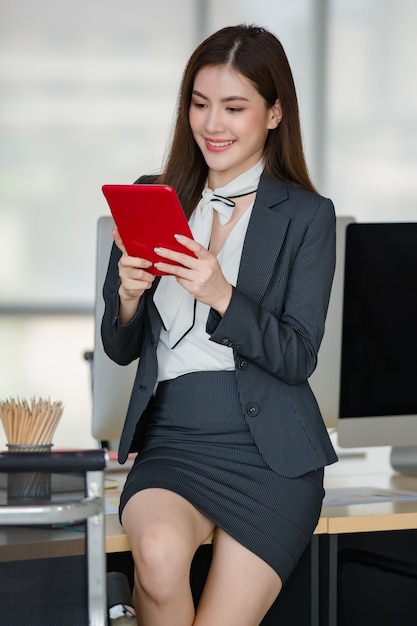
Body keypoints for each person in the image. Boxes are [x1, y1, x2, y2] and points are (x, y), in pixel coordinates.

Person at [101, 24, 338, 626]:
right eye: (200, 104)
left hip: (271, 457)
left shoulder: (306, 216)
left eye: (234, 108)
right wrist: (129, 299)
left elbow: (297, 355)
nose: (213, 124)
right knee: (154, 556)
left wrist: (222, 295)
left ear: (275, 112)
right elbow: (119, 346)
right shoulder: (153, 196)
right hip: (172, 443)